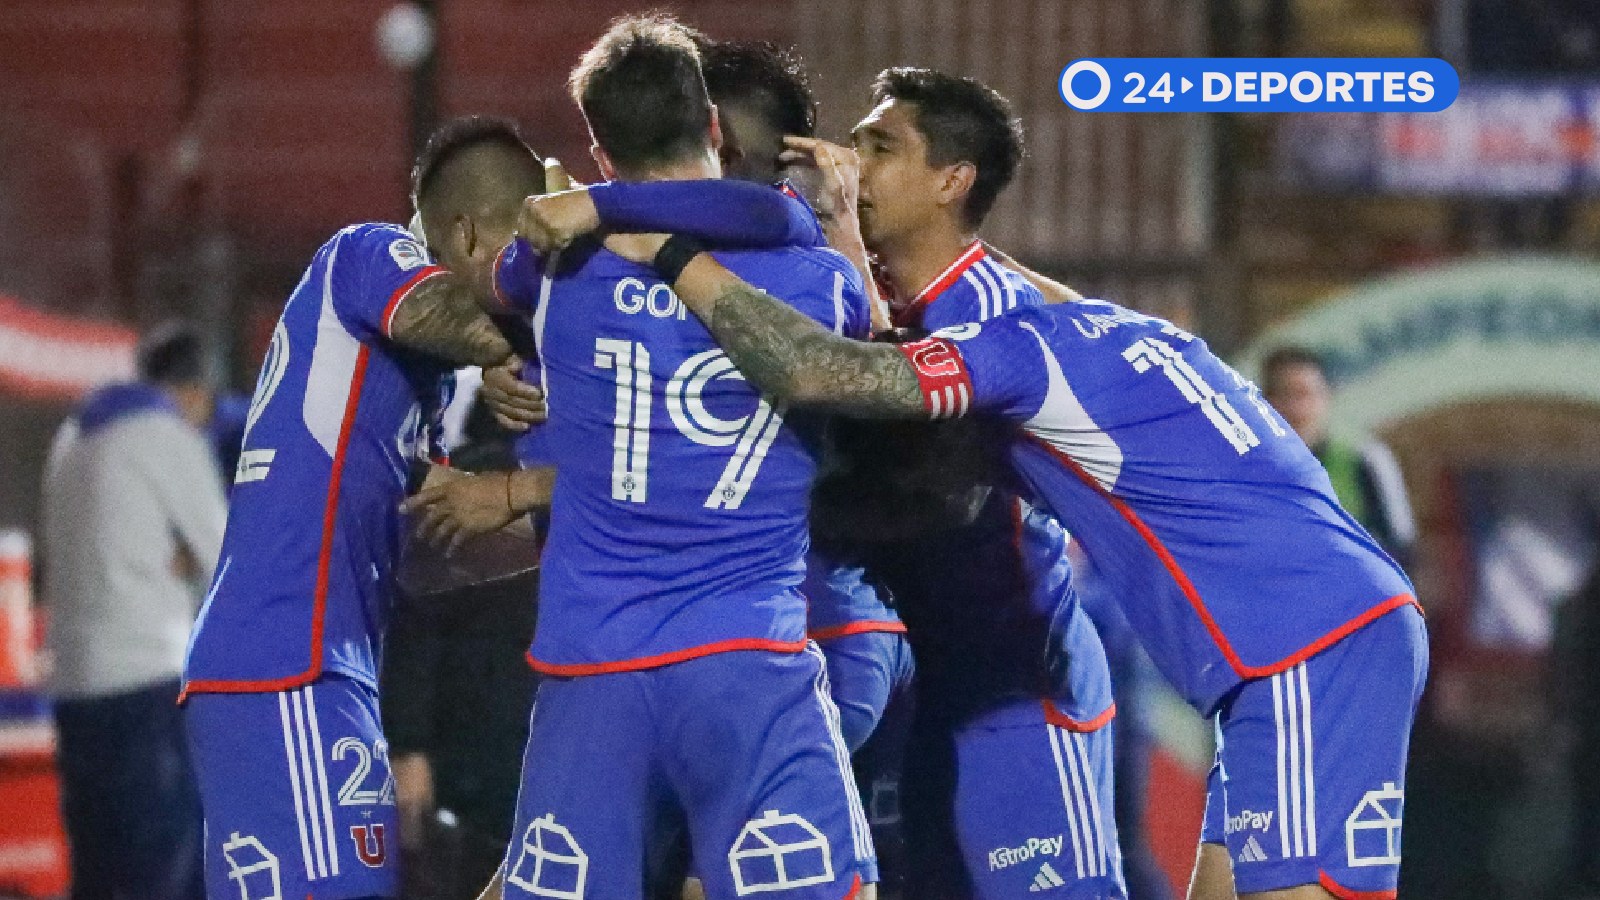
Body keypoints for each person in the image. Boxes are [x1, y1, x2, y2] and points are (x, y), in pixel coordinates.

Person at [553, 208, 1429, 900]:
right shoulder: (1111, 333)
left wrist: (667, 250)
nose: (859, 172)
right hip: (1266, 660)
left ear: (951, 179)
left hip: (1297, 644)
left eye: (884, 149)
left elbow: (828, 371)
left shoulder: (1017, 355)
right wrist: (856, 242)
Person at [472, 17, 877, 900]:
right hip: (747, 666)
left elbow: (501, 275)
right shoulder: (812, 279)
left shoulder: (551, 272)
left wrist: (598, 208)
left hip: (591, 673)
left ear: (597, 147)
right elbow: (844, 302)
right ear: (715, 128)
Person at [180, 117, 544, 900]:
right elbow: (438, 313)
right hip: (289, 662)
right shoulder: (368, 254)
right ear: (469, 233)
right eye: (524, 256)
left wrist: (549, 517)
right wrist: (513, 351)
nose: (531, 283)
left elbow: (430, 545)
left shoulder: (416, 386)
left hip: (319, 672)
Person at [39, 321, 225, 900]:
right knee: (166, 870)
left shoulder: (70, 440)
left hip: (74, 687)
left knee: (98, 869)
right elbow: (223, 553)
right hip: (148, 682)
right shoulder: (164, 434)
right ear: (193, 391)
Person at [1261, 347, 1416, 567]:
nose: (1296, 409)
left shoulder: (1364, 459)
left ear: (1326, 396)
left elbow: (1400, 545)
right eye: (1285, 395)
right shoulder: (1250, 465)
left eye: (1305, 394)